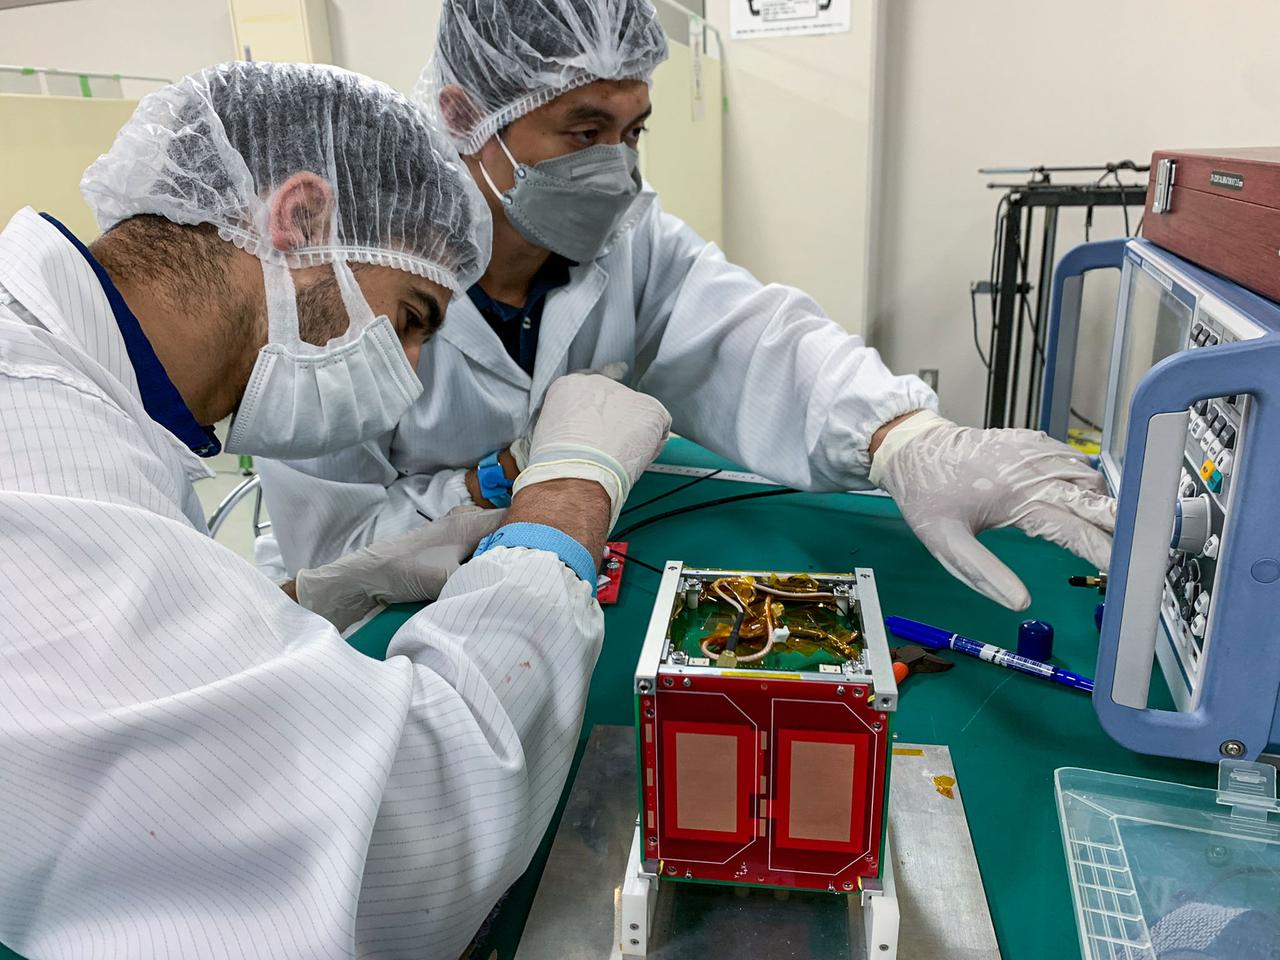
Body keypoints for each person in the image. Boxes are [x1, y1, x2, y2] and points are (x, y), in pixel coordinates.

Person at [0, 61, 671, 959]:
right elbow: (409, 824)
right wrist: (564, 501)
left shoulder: (78, 395)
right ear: (301, 220)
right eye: (413, 316)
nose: (414, 370)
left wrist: (305, 597)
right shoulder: (40, 470)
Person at [256, 0, 1116, 613]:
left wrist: (903, 438)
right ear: (463, 116)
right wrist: (522, 472)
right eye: (584, 132)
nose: (616, 167)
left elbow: (751, 338)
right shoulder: (348, 275)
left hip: (557, 584)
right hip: (379, 628)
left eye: (633, 132)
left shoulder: (626, 237)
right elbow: (331, 558)